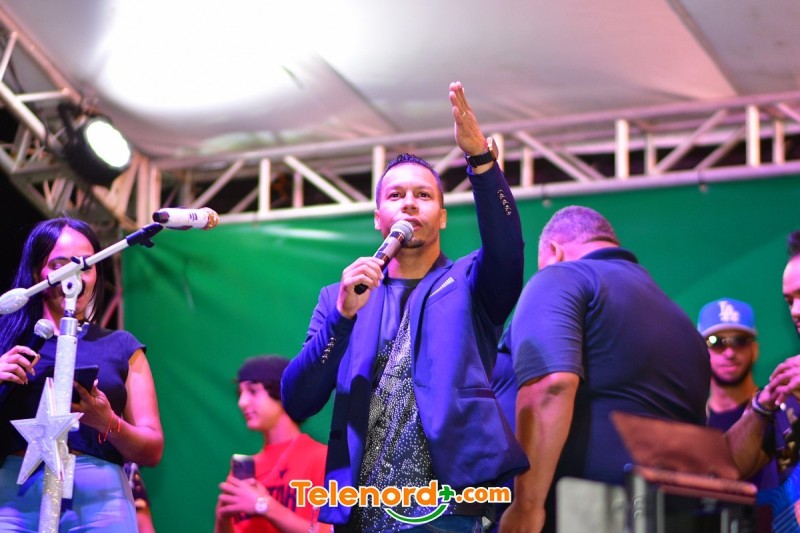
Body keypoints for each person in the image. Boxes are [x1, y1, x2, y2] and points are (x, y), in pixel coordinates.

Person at [281, 81, 528, 532]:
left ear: (442, 216)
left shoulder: (470, 283)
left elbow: (509, 250)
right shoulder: (340, 297)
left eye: (423, 195)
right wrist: (341, 317)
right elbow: (297, 399)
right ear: (378, 217)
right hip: (360, 514)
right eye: (395, 196)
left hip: (447, 512)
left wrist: (481, 161)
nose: (409, 203)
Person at [499, 205, 710, 533]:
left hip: (582, 513)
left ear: (554, 251)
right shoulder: (685, 328)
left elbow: (551, 385)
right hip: (672, 516)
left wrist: (526, 506)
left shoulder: (561, 277)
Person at [0, 217, 164, 532]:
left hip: (100, 502)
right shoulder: (7, 342)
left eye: (85, 264)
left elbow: (152, 449)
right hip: (14, 497)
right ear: (36, 273)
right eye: (59, 265)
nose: (73, 274)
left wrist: (108, 422)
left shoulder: (122, 346)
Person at [215, 355, 331, 533]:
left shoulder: (322, 458)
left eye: (253, 391)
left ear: (282, 392)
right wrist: (222, 518)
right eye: (240, 393)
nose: (242, 402)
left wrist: (263, 505)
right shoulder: (244, 469)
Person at [698, 297, 780, 489]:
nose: (729, 353)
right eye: (716, 342)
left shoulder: (778, 411)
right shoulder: (692, 421)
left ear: (755, 350)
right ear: (700, 351)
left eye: (740, 341)